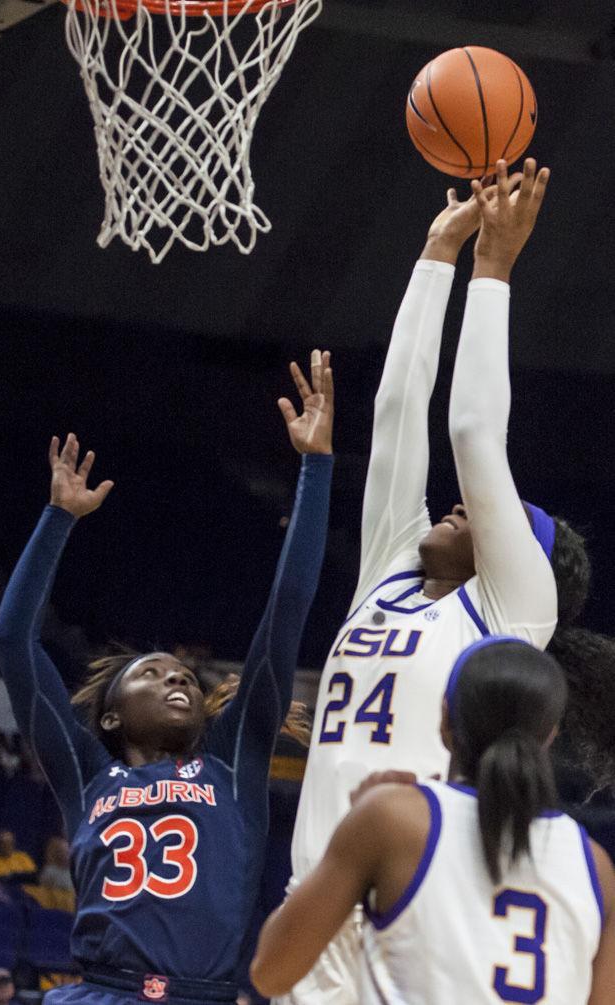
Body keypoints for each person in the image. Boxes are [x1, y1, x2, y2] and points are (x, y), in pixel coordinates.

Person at [280, 159, 596, 1005]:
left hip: (413, 914)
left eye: (489, 515)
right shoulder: (388, 568)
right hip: (318, 898)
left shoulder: (509, 611)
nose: (461, 506)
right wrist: (433, 257)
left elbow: (470, 431)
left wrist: (493, 271)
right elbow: (397, 412)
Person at [0, 351, 334, 1005]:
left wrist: (317, 466)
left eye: (183, 676)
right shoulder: (88, 772)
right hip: (95, 991)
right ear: (112, 714)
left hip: (199, 994)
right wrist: (57, 519)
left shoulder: (233, 762)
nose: (177, 679)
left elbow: (287, 610)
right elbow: (12, 638)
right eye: (151, 673)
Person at [251, 636, 615, 1004]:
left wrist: (353, 843)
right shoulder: (595, 866)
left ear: (444, 719)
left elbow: (271, 972)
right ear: (551, 734)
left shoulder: (393, 819)